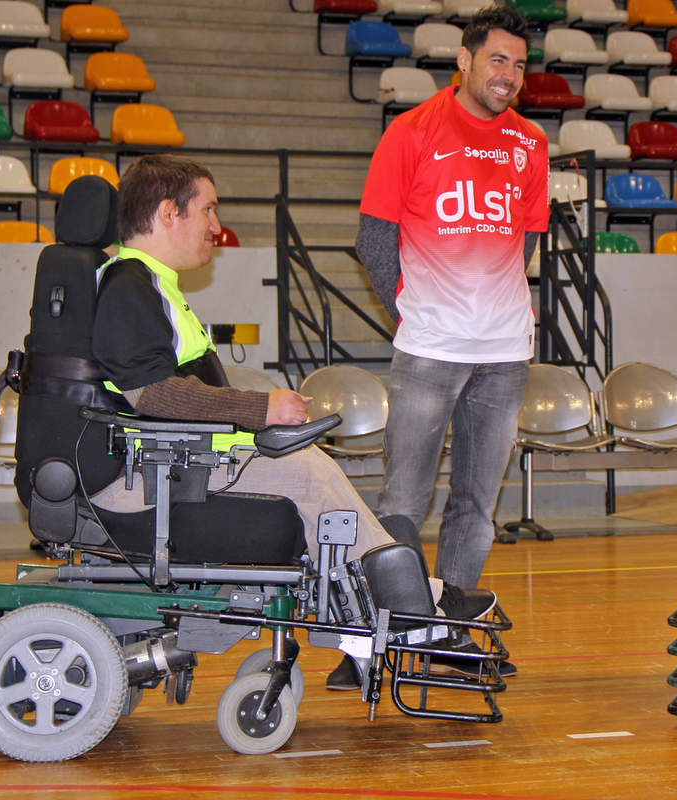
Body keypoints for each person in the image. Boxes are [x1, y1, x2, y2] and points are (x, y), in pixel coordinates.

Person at [87, 154, 494, 638]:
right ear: (168, 212)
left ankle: (405, 598)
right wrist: (259, 409)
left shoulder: (150, 283)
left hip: (173, 462)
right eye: (208, 210)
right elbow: (151, 394)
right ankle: (407, 603)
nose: (216, 226)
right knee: (305, 471)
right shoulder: (130, 283)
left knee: (309, 463)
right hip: (148, 475)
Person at [356, 5, 549, 591]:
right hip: (430, 349)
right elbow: (373, 240)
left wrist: (493, 300)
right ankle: (398, 622)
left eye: (519, 65)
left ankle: (454, 621)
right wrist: (412, 310)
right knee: (403, 500)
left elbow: (527, 237)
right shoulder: (411, 131)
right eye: (497, 60)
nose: (508, 75)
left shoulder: (531, 142)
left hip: (505, 354)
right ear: (464, 60)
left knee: (477, 506)